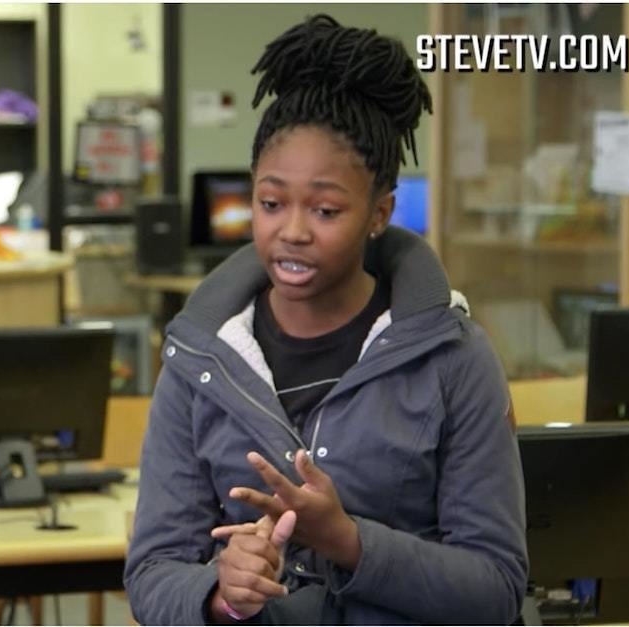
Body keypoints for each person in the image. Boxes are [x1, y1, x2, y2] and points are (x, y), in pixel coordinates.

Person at [123, 14, 527, 625]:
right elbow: (153, 573)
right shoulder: (198, 358)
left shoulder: (455, 357)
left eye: (326, 209)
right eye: (270, 202)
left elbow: (495, 589)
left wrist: (347, 540)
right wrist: (220, 592)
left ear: (379, 212)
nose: (292, 231)